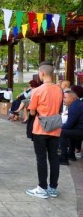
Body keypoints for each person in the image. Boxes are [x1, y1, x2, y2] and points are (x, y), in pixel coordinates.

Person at [26, 62, 64, 199]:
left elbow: (32, 112)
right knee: (54, 157)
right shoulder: (59, 89)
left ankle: (42, 187)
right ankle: (53, 188)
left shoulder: (38, 90)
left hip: (40, 128)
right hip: (55, 128)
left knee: (41, 158)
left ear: (42, 73)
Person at [58, 89, 83, 165]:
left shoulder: (74, 106)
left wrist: (60, 127)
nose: (63, 100)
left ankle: (64, 158)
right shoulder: (78, 104)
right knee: (70, 131)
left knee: (62, 132)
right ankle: (71, 155)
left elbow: (69, 125)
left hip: (81, 131)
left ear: (72, 98)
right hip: (80, 130)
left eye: (65, 98)